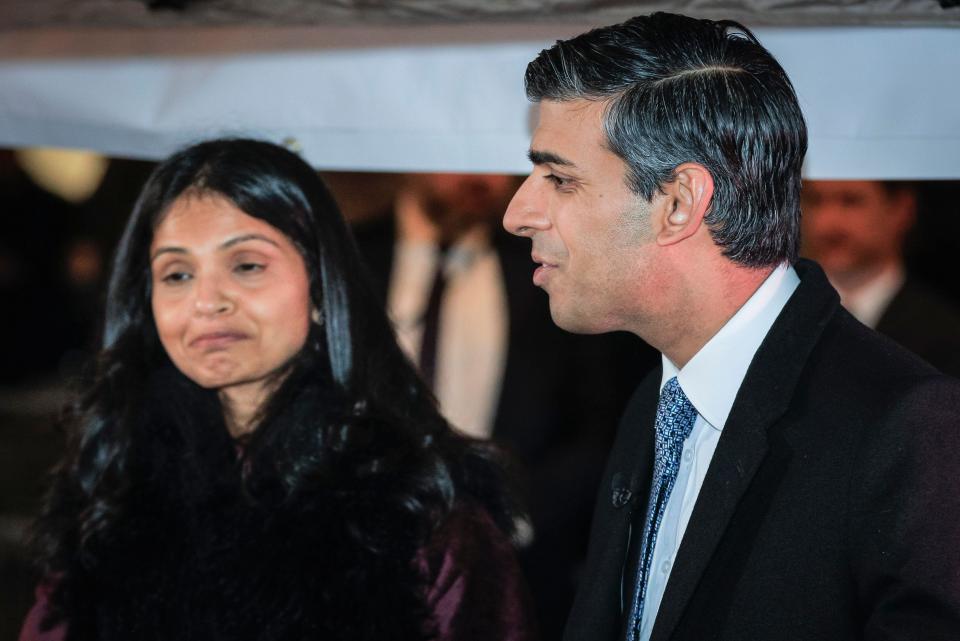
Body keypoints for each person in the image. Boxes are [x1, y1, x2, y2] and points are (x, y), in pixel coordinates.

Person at [503, 12, 960, 641]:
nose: (518, 213)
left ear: (680, 204)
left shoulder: (908, 430)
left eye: (559, 178)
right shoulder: (658, 400)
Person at [20, 139, 537, 641]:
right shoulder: (114, 487)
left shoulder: (421, 511)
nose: (207, 301)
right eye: (176, 274)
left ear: (319, 286)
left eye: (246, 265)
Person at [353, 172, 654, 637]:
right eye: (460, 150)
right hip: (357, 560)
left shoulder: (551, 266)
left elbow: (602, 421)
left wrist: (514, 516)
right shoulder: (349, 256)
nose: (482, 175)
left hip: (518, 571)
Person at [802, 179, 960, 375]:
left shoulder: (944, 333)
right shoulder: (782, 314)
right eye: (815, 200)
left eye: (850, 201)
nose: (826, 223)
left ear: (902, 208)